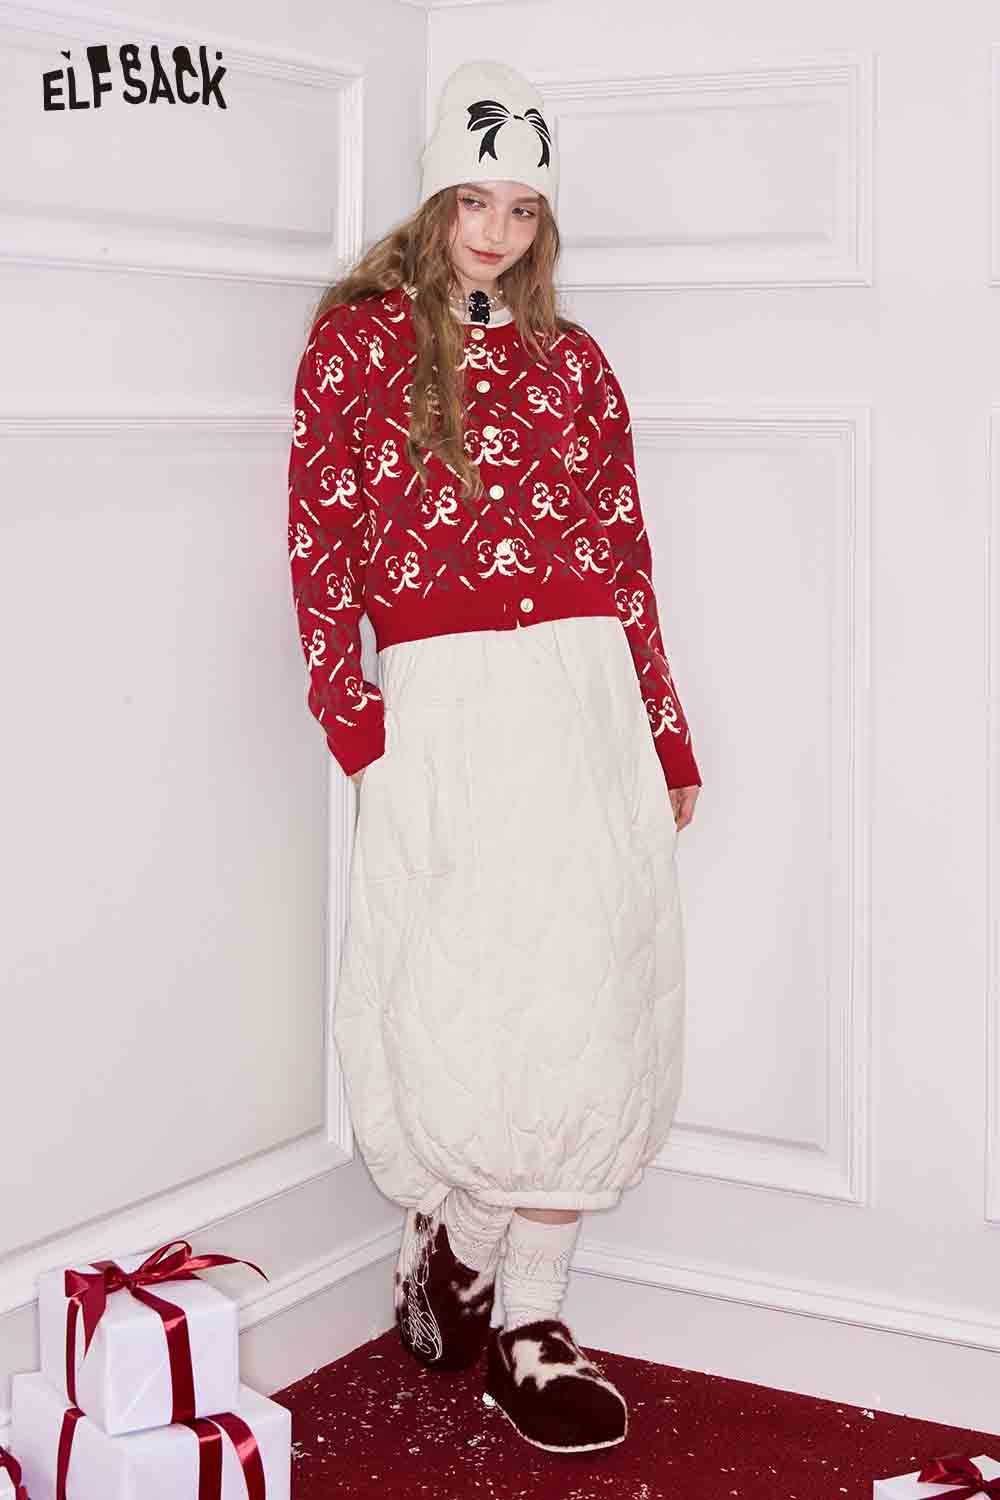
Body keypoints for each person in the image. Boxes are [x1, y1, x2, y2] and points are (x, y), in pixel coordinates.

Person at [286, 59, 702, 1454]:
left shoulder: (576, 363)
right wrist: (349, 709)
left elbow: (628, 561)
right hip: (447, 705)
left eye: (524, 210)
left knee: (589, 993)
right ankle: (457, 1231)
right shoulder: (356, 346)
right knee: (461, 987)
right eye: (476, 201)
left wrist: (663, 729)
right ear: (433, 200)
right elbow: (317, 535)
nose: (498, 233)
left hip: (581, 695)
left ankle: (534, 1316)